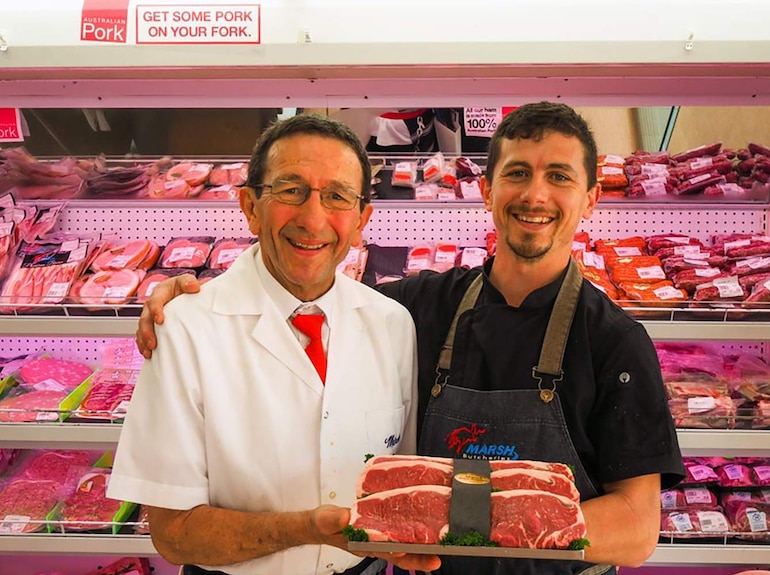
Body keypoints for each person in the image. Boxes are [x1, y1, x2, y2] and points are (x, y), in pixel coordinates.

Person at [136, 102, 686, 575]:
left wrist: (493, 521)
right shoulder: (414, 308)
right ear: (488, 190)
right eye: (517, 173)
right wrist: (199, 297)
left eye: (560, 177)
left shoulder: (617, 342)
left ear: (591, 198)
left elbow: (637, 529)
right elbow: (308, 287)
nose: (535, 195)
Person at [108, 114, 440, 575]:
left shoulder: (391, 323)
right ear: (250, 206)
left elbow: (393, 485)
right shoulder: (186, 327)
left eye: (337, 196)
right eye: (291, 190)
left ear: (362, 218)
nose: (312, 218)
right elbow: (173, 533)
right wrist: (305, 529)